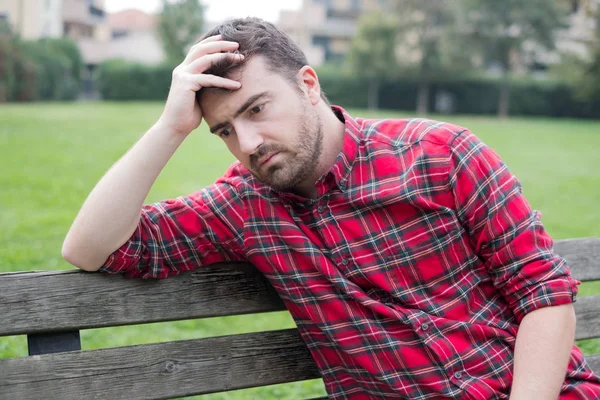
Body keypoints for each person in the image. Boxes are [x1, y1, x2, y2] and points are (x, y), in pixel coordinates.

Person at [62, 17, 600, 400]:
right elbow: (89, 248)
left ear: (309, 84)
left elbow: (543, 294)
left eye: (256, 109)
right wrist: (170, 127)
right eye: (225, 130)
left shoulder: (444, 154)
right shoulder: (244, 207)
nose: (247, 143)